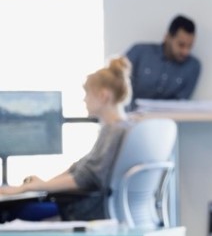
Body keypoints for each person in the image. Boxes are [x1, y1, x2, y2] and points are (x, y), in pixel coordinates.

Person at [0, 57, 134, 221]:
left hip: (84, 209)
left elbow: (85, 179)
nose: (84, 99)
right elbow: (78, 169)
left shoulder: (114, 132)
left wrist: (37, 187)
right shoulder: (121, 128)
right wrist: (38, 185)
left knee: (14, 212)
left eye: (87, 94)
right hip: (90, 205)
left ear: (103, 96)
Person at [125, 14, 201, 105]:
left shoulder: (193, 67)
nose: (186, 52)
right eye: (181, 45)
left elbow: (180, 104)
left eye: (190, 46)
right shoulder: (139, 52)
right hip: (131, 116)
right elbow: (114, 84)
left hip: (166, 118)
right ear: (167, 37)